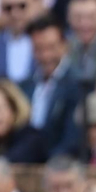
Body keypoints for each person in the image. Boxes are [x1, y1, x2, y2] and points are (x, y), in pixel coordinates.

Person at [26, 14, 83, 157]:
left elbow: (73, 138)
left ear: (64, 45)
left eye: (51, 47)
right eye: (39, 49)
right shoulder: (26, 85)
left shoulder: (77, 84)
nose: (46, 56)